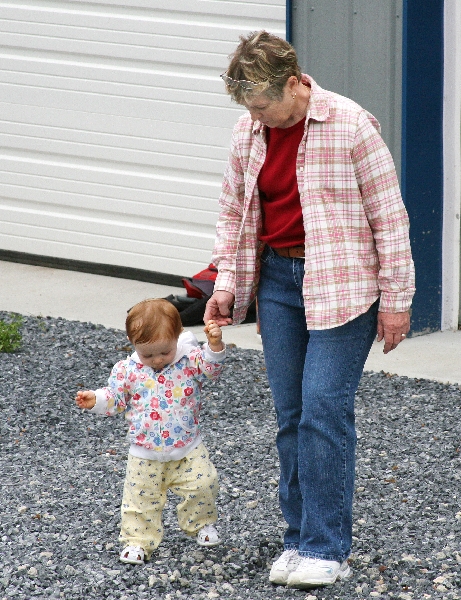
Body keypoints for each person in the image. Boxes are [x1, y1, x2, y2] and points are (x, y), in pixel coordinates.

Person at [204, 31, 415, 589]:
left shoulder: (350, 125)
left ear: (294, 84)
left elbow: (390, 219)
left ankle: (327, 547)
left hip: (342, 286)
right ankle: (297, 539)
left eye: (261, 105)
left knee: (324, 410)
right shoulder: (250, 131)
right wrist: (226, 284)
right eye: (248, 108)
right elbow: (234, 212)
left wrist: (396, 302)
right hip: (277, 282)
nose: (255, 117)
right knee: (291, 416)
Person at [75, 298, 226, 565]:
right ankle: (137, 541)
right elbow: (115, 398)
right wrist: (95, 399)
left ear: (177, 338)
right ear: (133, 345)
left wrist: (214, 347)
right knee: (139, 500)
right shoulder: (128, 370)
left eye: (164, 352)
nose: (156, 360)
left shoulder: (189, 360)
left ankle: (202, 524)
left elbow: (211, 370)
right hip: (144, 452)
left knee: (203, 485)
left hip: (187, 447)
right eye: (148, 355)